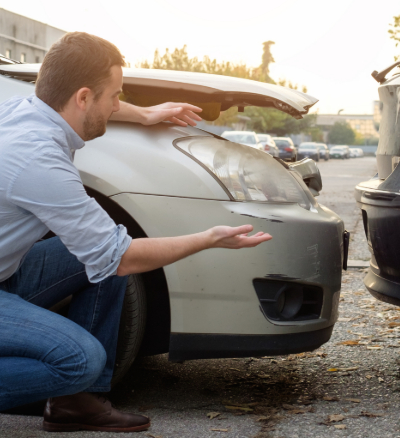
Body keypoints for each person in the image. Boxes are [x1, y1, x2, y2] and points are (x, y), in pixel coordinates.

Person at [0, 32, 272, 432]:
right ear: (83, 97)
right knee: (80, 360)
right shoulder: (37, 158)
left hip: (8, 275)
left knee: (102, 248)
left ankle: (76, 405)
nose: (116, 106)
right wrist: (208, 239)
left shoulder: (22, 110)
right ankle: (76, 384)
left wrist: (144, 114)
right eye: (115, 96)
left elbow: (109, 253)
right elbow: (123, 258)